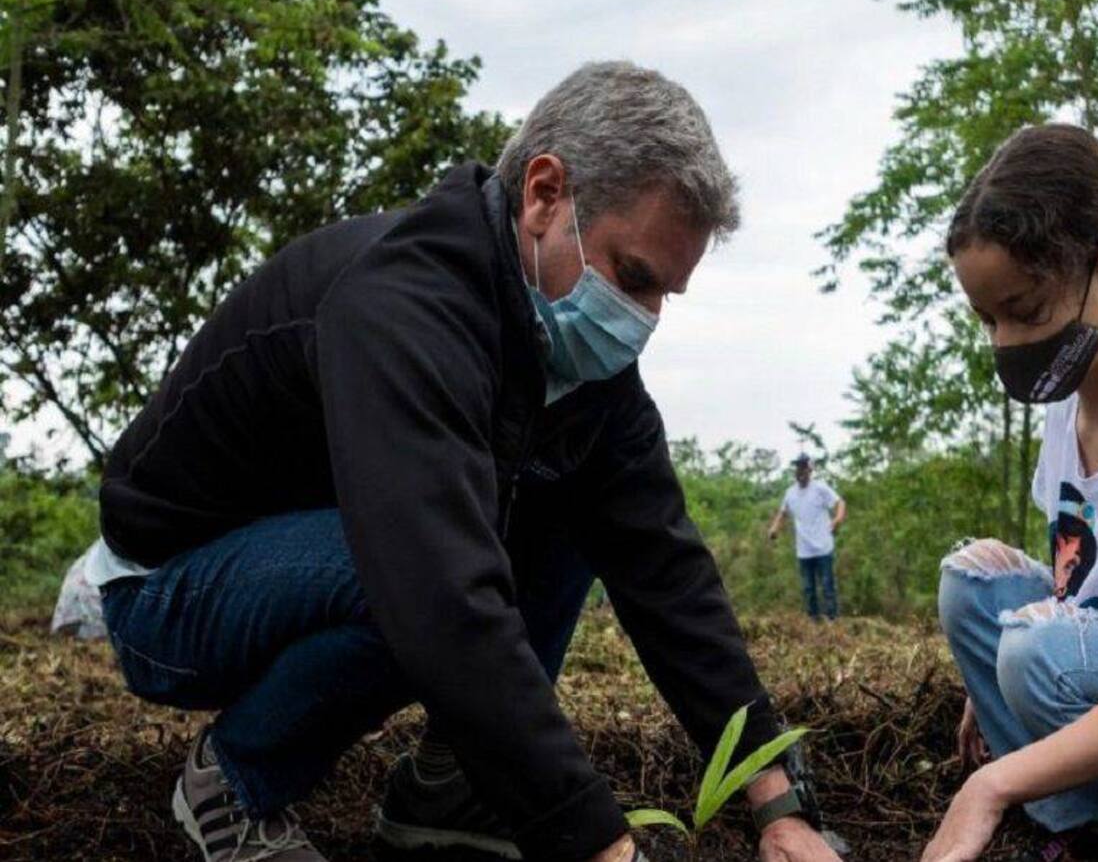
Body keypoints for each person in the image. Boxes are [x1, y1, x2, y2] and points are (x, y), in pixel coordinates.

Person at [90, 61, 843, 862]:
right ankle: (233, 784)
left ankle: (454, 787)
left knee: (569, 507)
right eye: (632, 277)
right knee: (413, 577)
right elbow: (435, 593)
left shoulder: (577, 364)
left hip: (340, 555)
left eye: (664, 296)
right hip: (171, 593)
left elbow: (664, 568)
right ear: (544, 195)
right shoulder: (400, 309)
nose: (642, 320)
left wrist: (779, 801)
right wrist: (597, 842)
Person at [926, 124, 1098, 862]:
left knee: (1038, 654)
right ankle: (1077, 822)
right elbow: (1079, 580)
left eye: (1028, 311)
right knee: (970, 589)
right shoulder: (1066, 406)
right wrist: (989, 687)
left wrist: (993, 784)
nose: (1007, 343)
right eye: (989, 320)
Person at [767, 454, 846, 620]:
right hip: (804, 550)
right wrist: (774, 528)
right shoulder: (790, 493)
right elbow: (783, 513)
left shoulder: (820, 488)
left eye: (804, 467)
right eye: (798, 468)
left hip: (823, 547)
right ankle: (813, 621)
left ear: (810, 470)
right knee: (808, 588)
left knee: (827, 586)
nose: (801, 471)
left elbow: (840, 502)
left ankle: (832, 620)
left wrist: (837, 519)